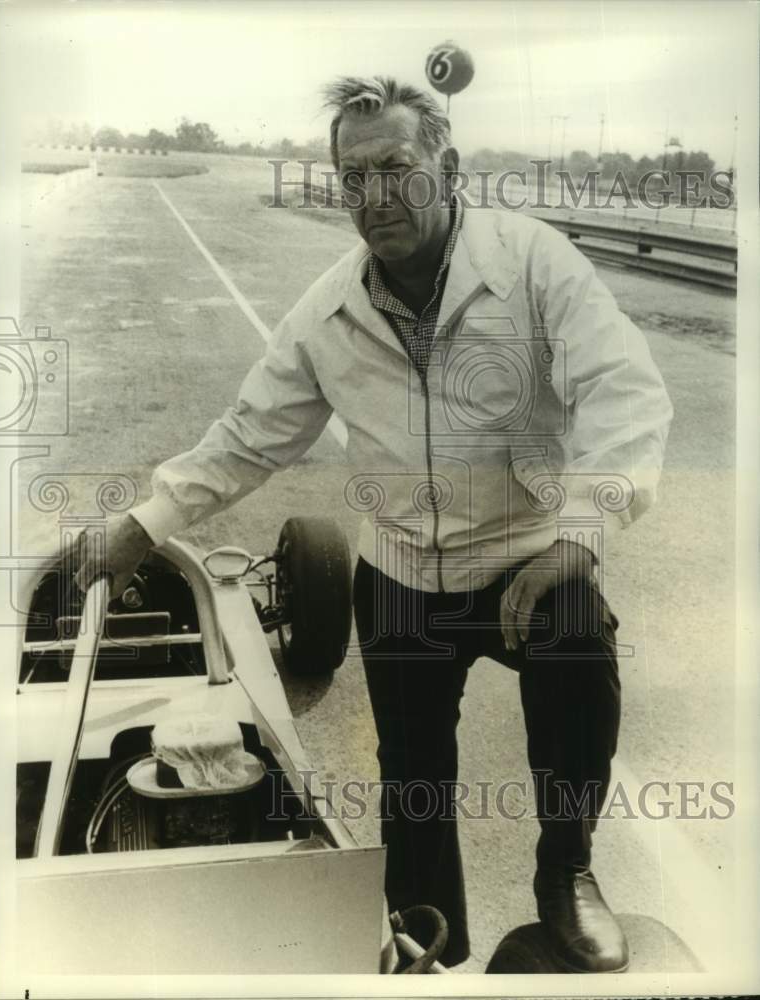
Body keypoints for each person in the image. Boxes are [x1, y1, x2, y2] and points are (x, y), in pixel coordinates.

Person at [72, 77, 673, 972]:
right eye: (352, 178)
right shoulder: (327, 311)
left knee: (579, 646)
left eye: (394, 168)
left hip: (523, 556)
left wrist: (578, 537)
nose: (373, 197)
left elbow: (624, 397)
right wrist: (143, 524)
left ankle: (567, 871)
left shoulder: (535, 264)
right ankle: (429, 939)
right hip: (399, 570)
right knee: (414, 778)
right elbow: (248, 437)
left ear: (448, 166)